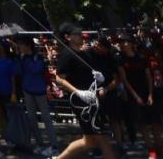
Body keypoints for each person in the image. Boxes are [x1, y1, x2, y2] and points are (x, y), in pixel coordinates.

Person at [48, 26, 117, 159]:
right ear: (68, 37)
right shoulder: (67, 55)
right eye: (77, 34)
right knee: (103, 140)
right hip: (83, 104)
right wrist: (78, 92)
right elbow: (59, 78)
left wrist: (99, 79)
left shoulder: (83, 54)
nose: (80, 36)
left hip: (92, 100)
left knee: (89, 142)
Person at [17, 38, 56, 154]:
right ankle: (40, 143)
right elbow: (19, 71)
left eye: (22, 45)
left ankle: (54, 145)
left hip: (39, 91)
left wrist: (25, 63)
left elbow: (36, 69)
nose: (20, 47)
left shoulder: (38, 57)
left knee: (46, 118)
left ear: (27, 46)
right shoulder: (22, 58)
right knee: (32, 119)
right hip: (27, 90)